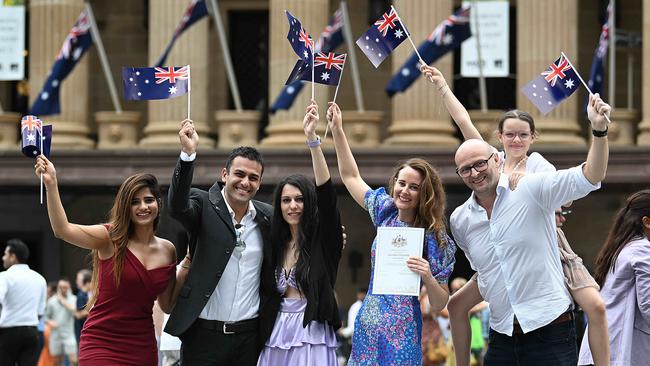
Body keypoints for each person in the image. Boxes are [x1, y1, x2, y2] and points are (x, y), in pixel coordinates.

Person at [421, 64, 610, 366]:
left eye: (523, 135)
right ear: (499, 140)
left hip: (549, 242)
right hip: (503, 316)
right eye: (510, 135)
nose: (516, 140)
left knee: (596, 305)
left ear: (533, 138)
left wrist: (599, 130)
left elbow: (586, 178)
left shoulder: (536, 174)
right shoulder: (466, 210)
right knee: (458, 304)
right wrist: (443, 87)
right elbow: (464, 122)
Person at [327, 101, 456, 365]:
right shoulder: (385, 212)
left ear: (425, 194)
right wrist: (338, 131)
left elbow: (440, 302)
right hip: (370, 322)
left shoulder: (434, 237)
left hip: (403, 329)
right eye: (401, 183)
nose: (404, 191)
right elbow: (351, 176)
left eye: (414, 187)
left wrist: (428, 276)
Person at [35, 156, 182, 365]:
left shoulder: (168, 250)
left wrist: (186, 264)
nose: (143, 207)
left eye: (148, 200)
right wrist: (51, 183)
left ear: (158, 203)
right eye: (134, 202)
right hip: (101, 344)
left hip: (142, 347)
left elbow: (166, 305)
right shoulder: (109, 237)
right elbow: (62, 230)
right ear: (125, 207)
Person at [165, 119, 275, 366]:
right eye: (239, 174)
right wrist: (188, 155)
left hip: (249, 339)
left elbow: (299, 236)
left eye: (253, 177)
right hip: (203, 337)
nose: (245, 182)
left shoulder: (268, 217)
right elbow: (177, 205)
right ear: (224, 174)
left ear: (260, 183)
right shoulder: (203, 204)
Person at [257, 101, 344, 365]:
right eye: (286, 200)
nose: (293, 205)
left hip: (311, 332)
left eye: (299, 199)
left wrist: (313, 141)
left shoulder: (324, 241)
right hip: (274, 330)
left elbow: (327, 195)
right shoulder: (273, 242)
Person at [579, 190, 650, 365]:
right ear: (647, 222)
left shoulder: (622, 248)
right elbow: (648, 305)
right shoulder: (642, 250)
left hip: (601, 348)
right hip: (620, 351)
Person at [0, 238, 47, 366]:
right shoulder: (40, 279)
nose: (3, 258)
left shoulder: (4, 277)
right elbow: (41, 311)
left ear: (13, 257)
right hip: (32, 331)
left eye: (5, 254)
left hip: (9, 331)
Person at [45, 278, 78, 366]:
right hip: (55, 334)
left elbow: (74, 310)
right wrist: (50, 322)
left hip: (69, 334)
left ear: (69, 287)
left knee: (74, 360)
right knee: (57, 361)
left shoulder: (74, 299)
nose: (63, 289)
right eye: (61, 287)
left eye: (65, 287)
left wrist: (62, 301)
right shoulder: (51, 301)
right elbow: (45, 316)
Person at [73, 269, 91, 345]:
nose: (76, 282)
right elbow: (78, 314)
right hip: (83, 332)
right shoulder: (81, 295)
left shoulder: (86, 294)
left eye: (78, 279)